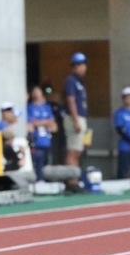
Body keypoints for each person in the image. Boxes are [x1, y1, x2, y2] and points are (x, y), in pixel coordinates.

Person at [63, 52, 89, 192]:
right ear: (76, 66)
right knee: (73, 151)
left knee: (78, 150)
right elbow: (71, 100)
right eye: (82, 65)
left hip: (80, 117)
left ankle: (75, 178)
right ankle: (71, 181)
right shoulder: (71, 80)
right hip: (75, 118)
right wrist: (75, 120)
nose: (84, 68)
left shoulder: (80, 82)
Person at [27, 85, 57, 181]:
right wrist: (45, 122)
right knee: (37, 160)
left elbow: (54, 126)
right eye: (34, 91)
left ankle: (47, 180)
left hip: (47, 140)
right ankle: (39, 179)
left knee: (47, 161)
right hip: (36, 140)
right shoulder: (29, 107)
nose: (36, 93)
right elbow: (32, 123)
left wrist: (40, 123)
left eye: (38, 91)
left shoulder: (47, 107)